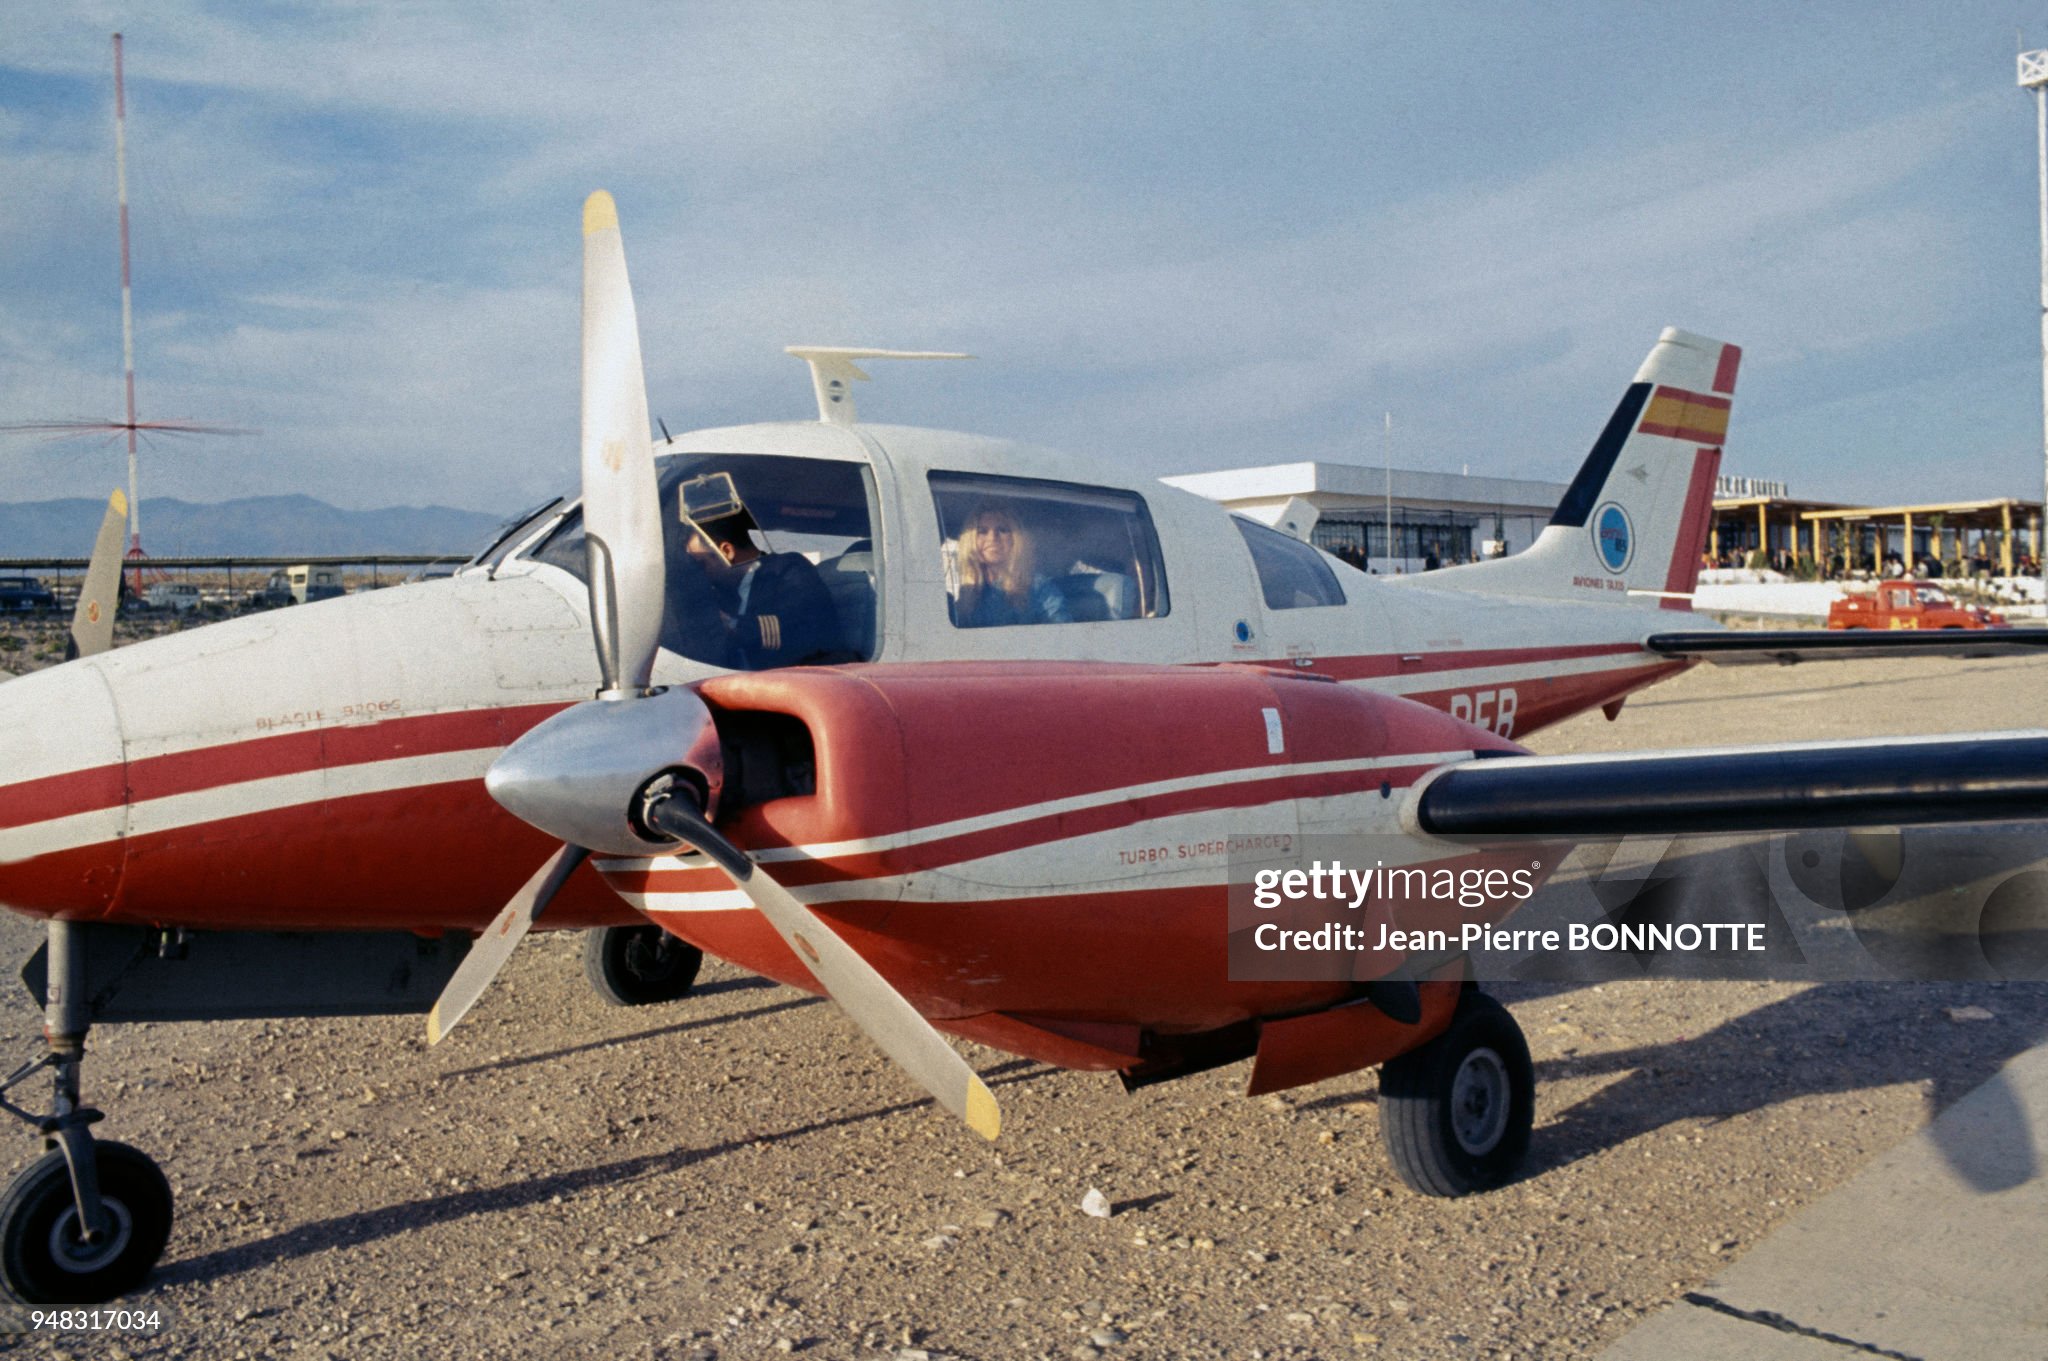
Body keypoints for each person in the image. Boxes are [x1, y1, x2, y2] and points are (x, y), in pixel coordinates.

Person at [678, 476, 848, 669]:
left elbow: (802, 630)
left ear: (726, 552)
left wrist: (731, 625)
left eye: (702, 564)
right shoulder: (723, 593)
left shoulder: (786, 571)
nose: (702, 573)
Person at [951, 504, 1072, 627]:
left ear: (1015, 540)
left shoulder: (1039, 588)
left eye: (1002, 530)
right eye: (982, 531)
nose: (992, 538)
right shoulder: (968, 592)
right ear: (971, 541)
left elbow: (1062, 632)